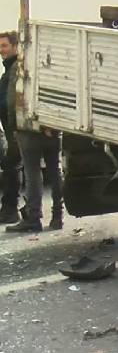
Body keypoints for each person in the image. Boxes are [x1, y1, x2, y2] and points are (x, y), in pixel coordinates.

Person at [5, 36, 63, 233]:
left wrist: (14, 128)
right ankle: (57, 217)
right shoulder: (51, 64)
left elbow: (13, 100)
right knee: (55, 171)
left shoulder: (19, 66)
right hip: (51, 128)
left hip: (28, 129)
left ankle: (34, 218)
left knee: (33, 174)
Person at [0, 31, 20, 224]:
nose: (1, 50)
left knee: (11, 165)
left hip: (15, 129)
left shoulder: (15, 68)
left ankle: (10, 210)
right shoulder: (9, 68)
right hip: (11, 128)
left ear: (15, 46)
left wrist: (13, 128)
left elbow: (11, 102)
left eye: (4, 46)